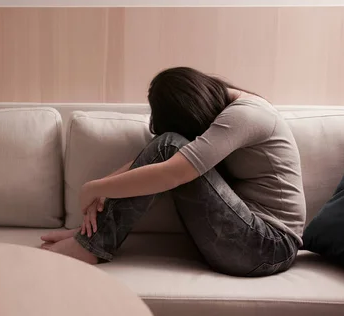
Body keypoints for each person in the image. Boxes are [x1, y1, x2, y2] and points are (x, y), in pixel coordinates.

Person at [40, 67, 306, 277]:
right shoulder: (229, 106)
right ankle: (89, 238)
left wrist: (94, 189)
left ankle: (90, 246)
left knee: (170, 145)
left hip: (268, 247)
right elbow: (153, 161)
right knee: (169, 144)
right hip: (251, 240)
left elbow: (171, 171)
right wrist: (102, 186)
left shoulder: (245, 116)